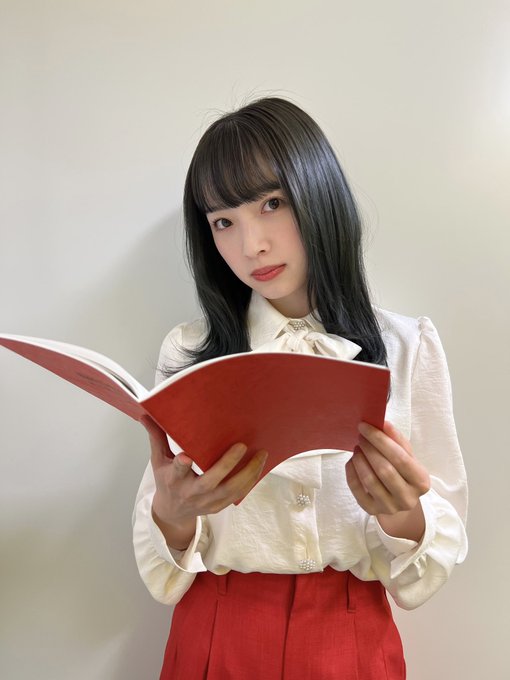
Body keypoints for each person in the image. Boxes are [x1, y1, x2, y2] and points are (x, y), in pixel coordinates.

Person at [133, 97, 468, 680]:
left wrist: (404, 514)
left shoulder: (408, 345)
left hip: (351, 638)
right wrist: (173, 511)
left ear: (319, 195)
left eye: (272, 203)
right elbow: (164, 572)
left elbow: (436, 554)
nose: (251, 246)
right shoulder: (188, 353)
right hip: (216, 632)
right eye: (223, 222)